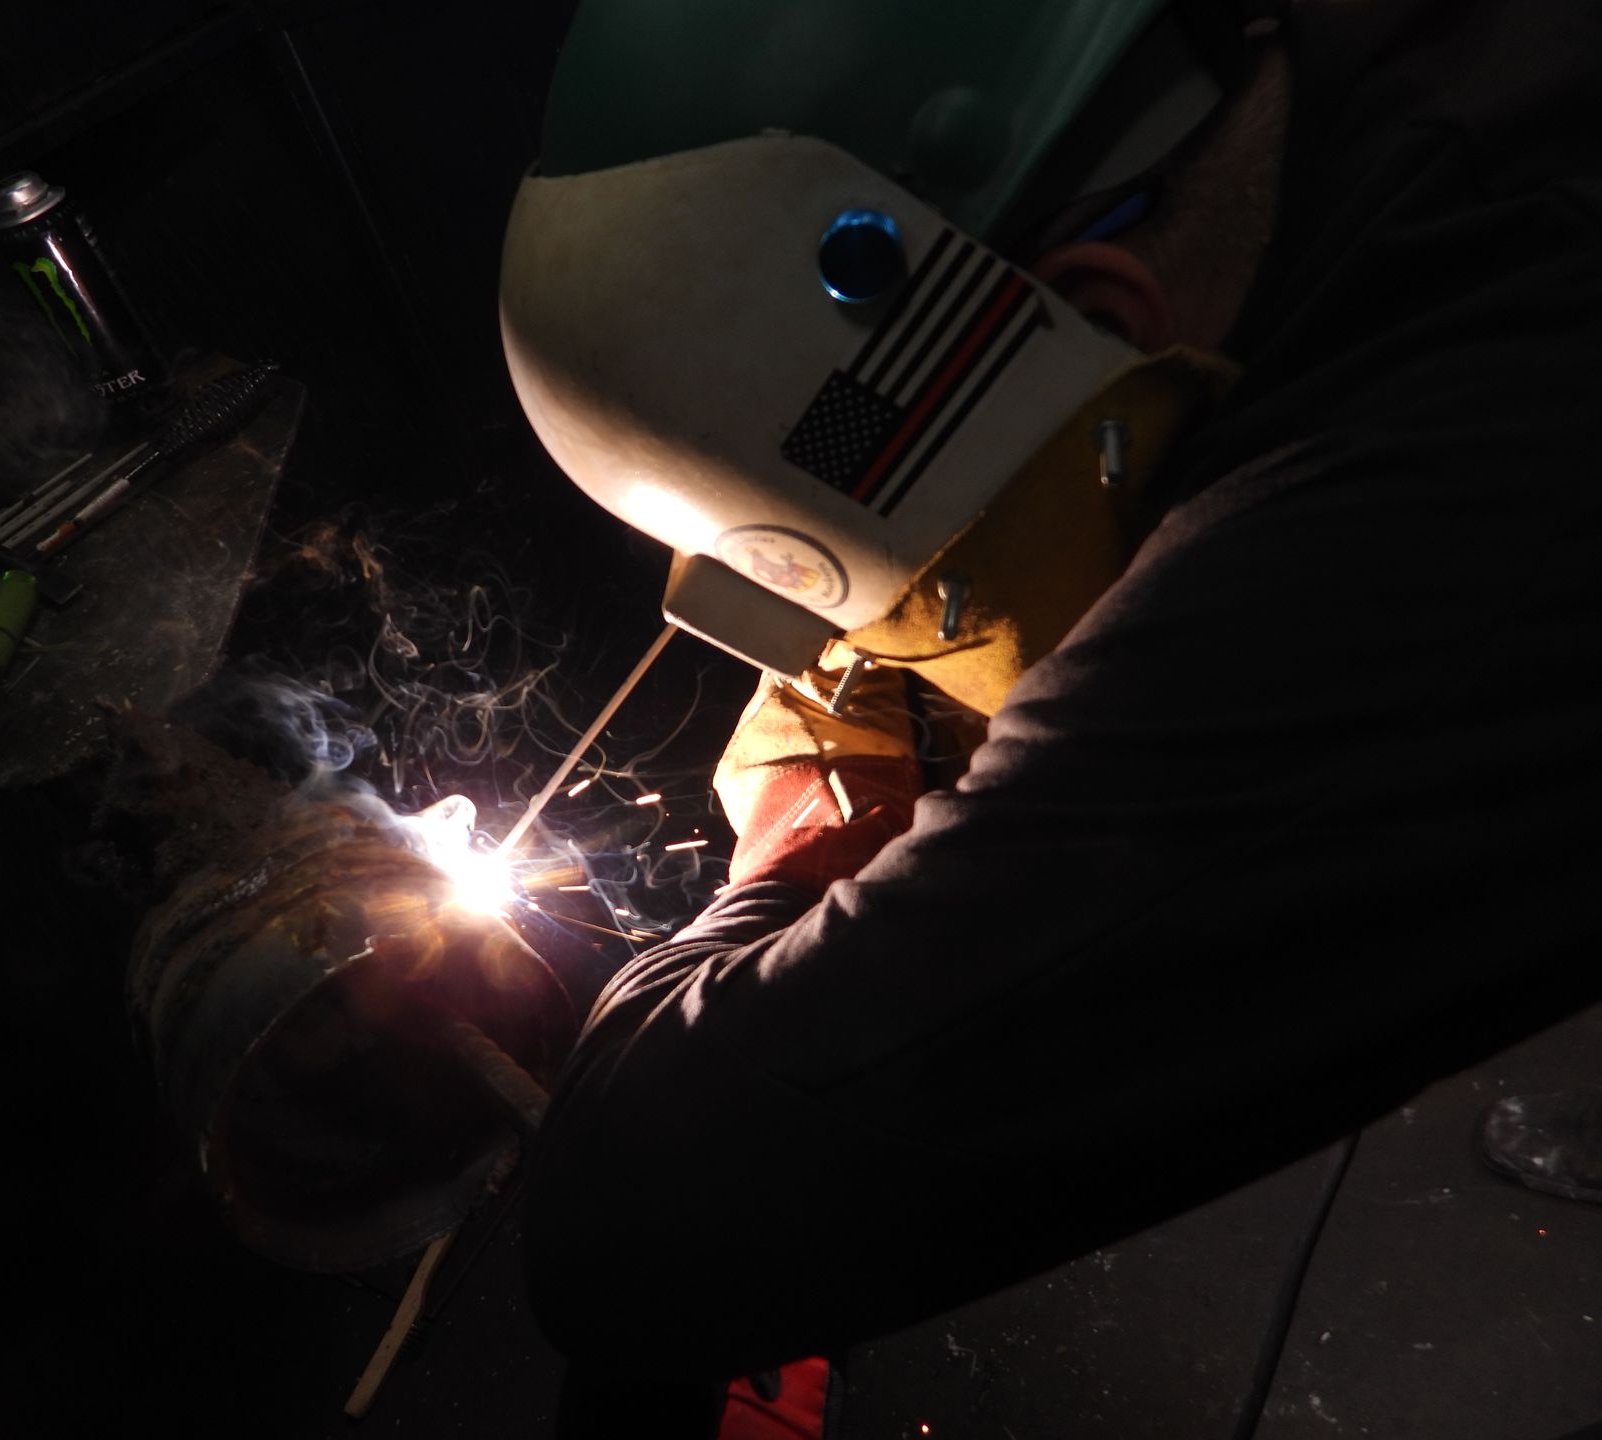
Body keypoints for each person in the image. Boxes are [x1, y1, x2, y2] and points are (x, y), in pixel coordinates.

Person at [497, 0, 1602, 1431]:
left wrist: (776, 864)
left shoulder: (1462, 454)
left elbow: (645, 1224)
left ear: (1096, 322)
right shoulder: (1374, 86)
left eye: (931, 578)